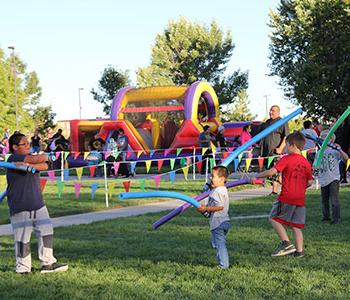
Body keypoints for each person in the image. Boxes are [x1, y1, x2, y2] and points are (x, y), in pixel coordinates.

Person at [6, 133, 68, 274]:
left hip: (37, 203)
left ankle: (48, 263)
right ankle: (22, 269)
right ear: (15, 147)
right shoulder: (13, 158)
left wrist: (30, 164)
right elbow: (39, 159)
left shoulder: (26, 161)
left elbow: (44, 165)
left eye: (28, 143)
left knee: (46, 232)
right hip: (20, 204)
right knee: (23, 238)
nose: (28, 146)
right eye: (25, 144)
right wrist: (39, 159)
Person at [252, 131, 313, 257]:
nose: (285, 148)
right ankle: (299, 252)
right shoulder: (306, 162)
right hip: (300, 198)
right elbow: (310, 182)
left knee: (274, 218)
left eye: (286, 145)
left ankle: (286, 244)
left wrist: (257, 175)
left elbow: (271, 172)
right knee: (296, 225)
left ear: (293, 145)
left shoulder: (287, 159)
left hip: (287, 196)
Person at [197, 166, 230, 269]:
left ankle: (223, 265)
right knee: (217, 243)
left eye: (213, 176)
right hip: (223, 221)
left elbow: (220, 206)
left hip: (219, 222)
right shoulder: (221, 189)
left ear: (221, 179)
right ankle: (222, 263)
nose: (210, 178)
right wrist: (205, 210)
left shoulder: (218, 191)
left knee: (220, 245)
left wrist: (206, 208)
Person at [317, 130, 349, 224]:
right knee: (324, 200)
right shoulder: (319, 152)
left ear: (331, 139)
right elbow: (316, 165)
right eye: (321, 136)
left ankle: (336, 219)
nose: (323, 138)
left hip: (334, 178)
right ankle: (326, 218)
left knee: (334, 200)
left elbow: (346, 158)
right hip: (323, 179)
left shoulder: (335, 150)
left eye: (325, 136)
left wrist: (339, 149)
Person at [260, 105, 290, 195]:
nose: (271, 112)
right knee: (270, 171)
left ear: (278, 112)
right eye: (270, 110)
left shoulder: (282, 122)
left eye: (273, 111)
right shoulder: (266, 123)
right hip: (266, 151)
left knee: (275, 170)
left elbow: (286, 136)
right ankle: (288, 186)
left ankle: (275, 191)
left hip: (276, 151)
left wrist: (280, 148)